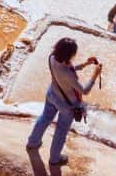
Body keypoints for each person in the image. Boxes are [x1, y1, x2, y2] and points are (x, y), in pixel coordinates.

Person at [26, 38, 102, 168]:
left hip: (52, 94)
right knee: (61, 130)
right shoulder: (67, 73)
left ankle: (32, 143)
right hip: (66, 105)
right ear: (69, 55)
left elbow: (67, 70)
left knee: (45, 118)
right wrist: (95, 75)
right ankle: (55, 159)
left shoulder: (52, 58)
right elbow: (84, 91)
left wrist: (85, 64)